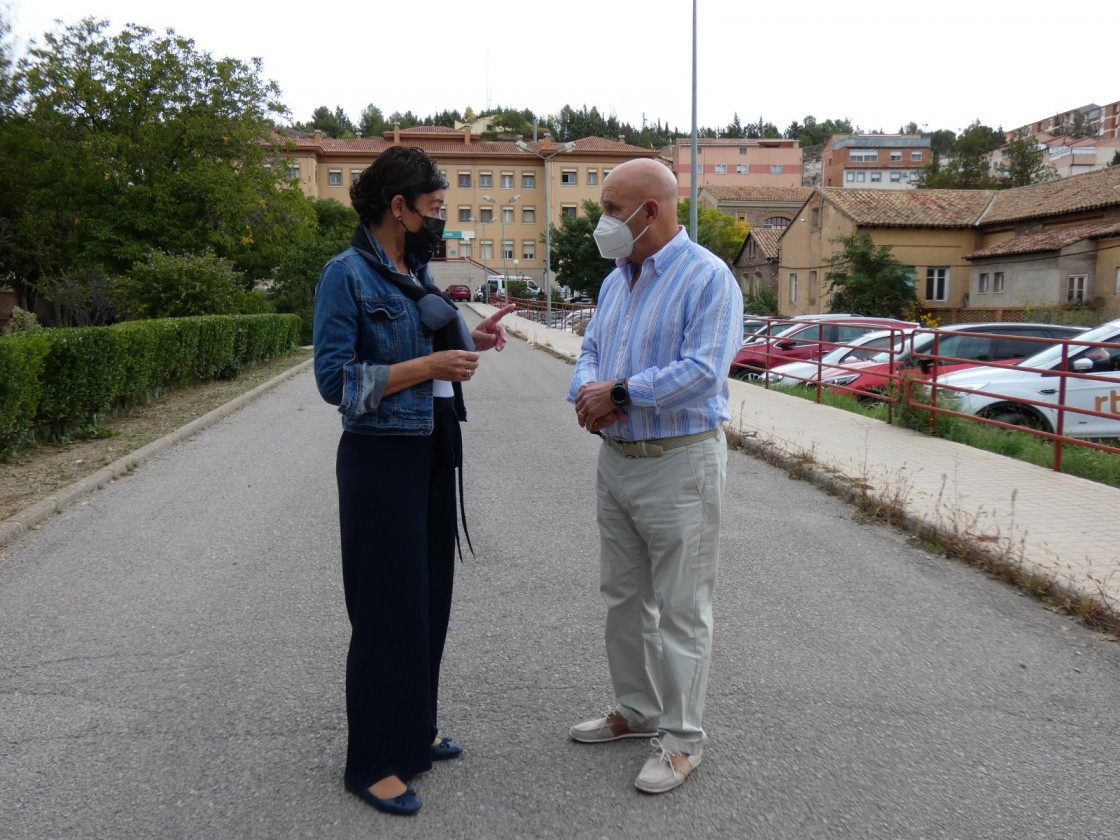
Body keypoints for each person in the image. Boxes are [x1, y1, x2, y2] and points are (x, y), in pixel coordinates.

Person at [313, 146, 515, 817]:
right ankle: (372, 761)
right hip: (381, 458)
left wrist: (473, 343)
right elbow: (337, 383)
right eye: (432, 210)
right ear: (397, 207)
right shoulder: (345, 275)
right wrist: (425, 368)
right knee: (384, 610)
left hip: (433, 445)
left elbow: (430, 348)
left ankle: (415, 729)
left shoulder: (416, 270)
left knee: (427, 598)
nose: (440, 222)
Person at [567, 158, 742, 794]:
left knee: (682, 608)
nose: (603, 223)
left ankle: (682, 740)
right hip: (618, 461)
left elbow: (703, 369)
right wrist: (586, 394)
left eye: (612, 211)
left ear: (651, 211)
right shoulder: (618, 280)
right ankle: (637, 711)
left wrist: (620, 393)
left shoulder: (709, 279)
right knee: (623, 598)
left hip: (680, 463)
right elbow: (590, 348)